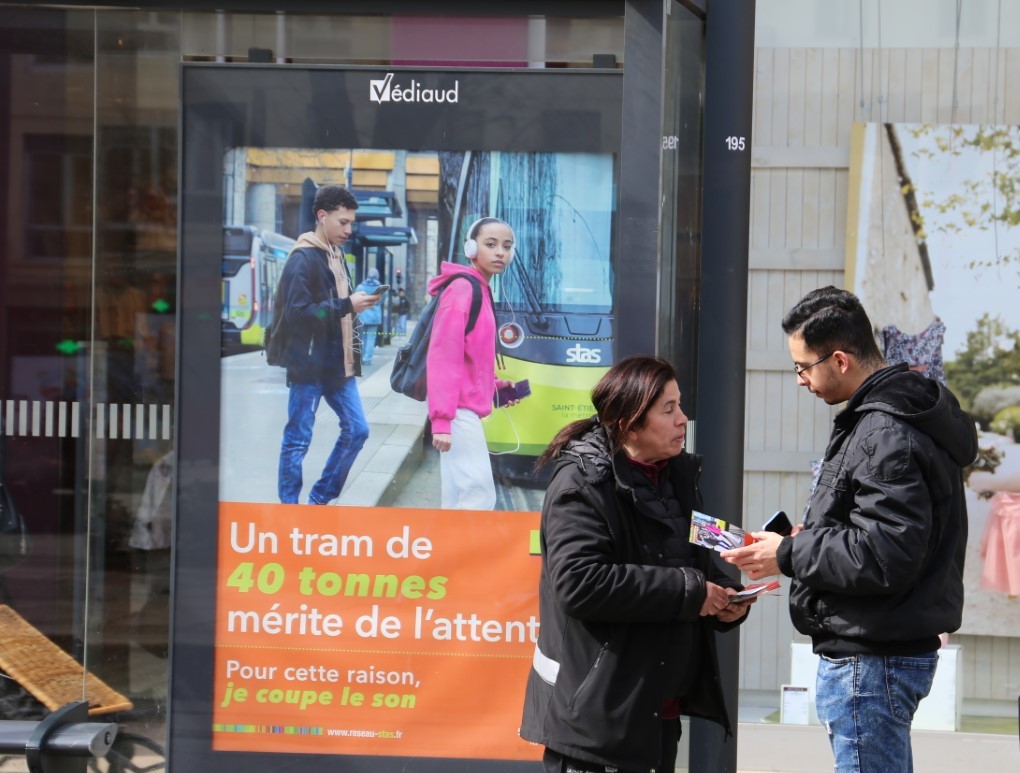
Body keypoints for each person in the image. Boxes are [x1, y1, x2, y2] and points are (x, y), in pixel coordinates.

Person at [721, 286, 978, 773]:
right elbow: (886, 534)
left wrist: (789, 553)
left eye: (803, 367)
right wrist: (809, 535)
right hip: (880, 648)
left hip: (871, 657)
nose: (800, 380)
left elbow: (884, 555)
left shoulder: (883, 430)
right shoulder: (897, 417)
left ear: (839, 360)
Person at [520, 355, 753, 773]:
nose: (683, 419)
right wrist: (691, 592)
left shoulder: (676, 477)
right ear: (629, 424)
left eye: (680, 405)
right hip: (598, 724)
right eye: (669, 409)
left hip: (656, 712)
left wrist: (726, 593)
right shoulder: (582, 483)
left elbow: (692, 560)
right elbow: (580, 584)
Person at [274, 185, 381, 505]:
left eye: (351, 223)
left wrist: (352, 304)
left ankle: (320, 498)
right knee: (298, 441)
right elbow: (298, 314)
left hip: (338, 365)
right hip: (308, 366)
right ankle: (289, 512)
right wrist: (346, 304)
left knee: (358, 430)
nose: (348, 230)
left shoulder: (336, 255)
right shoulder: (303, 258)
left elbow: (332, 307)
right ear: (322, 216)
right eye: (342, 222)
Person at [426, 217, 519, 510]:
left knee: (457, 496)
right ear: (471, 248)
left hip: (461, 409)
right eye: (490, 244)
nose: (500, 252)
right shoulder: (463, 289)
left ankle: (450, 543)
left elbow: (472, 358)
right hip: (457, 412)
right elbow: (443, 356)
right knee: (479, 495)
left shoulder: (480, 289)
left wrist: (496, 387)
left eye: (506, 246)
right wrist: (441, 421)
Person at [353, 267, 383, 365]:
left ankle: (361, 357)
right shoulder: (380, 288)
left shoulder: (361, 287)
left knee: (362, 338)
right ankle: (367, 358)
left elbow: (355, 298)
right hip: (374, 317)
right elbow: (382, 301)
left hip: (363, 315)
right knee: (371, 338)